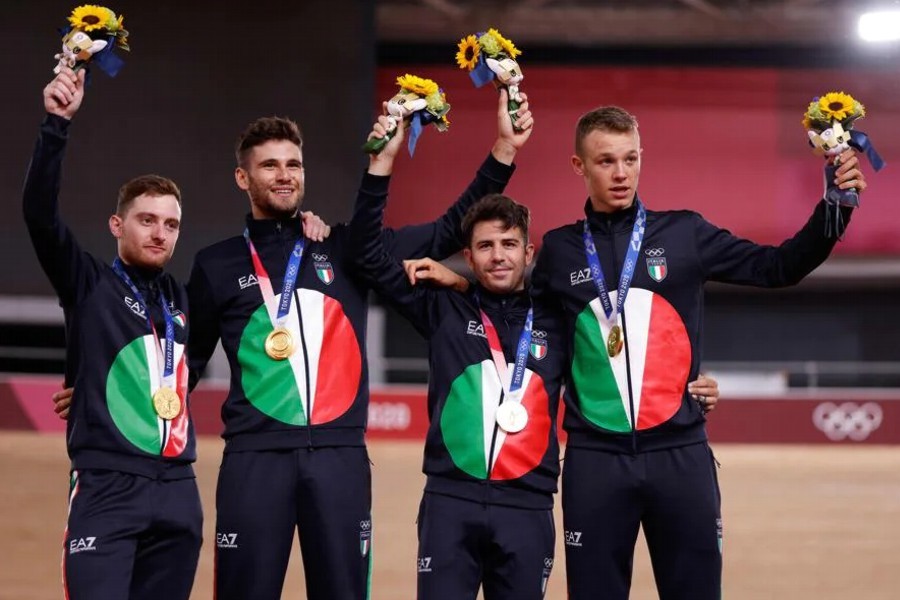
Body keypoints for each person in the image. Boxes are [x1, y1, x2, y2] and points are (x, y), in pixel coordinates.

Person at [351, 112, 721, 598]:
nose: (498, 255)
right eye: (485, 247)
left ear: (529, 256)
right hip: (450, 500)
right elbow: (365, 254)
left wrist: (688, 381)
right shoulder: (441, 307)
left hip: (528, 507)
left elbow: (620, 349)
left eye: (509, 244)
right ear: (468, 255)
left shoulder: (556, 320)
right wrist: (382, 165)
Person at [183, 88, 533, 599]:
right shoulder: (215, 264)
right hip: (253, 459)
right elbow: (185, 361)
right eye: (269, 166)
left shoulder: (345, 249)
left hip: (339, 459)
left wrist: (504, 150)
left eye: (293, 164)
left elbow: (446, 231)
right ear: (243, 177)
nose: (284, 175)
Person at [529, 105, 866, 599]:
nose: (621, 173)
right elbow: (533, 346)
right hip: (595, 460)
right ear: (579, 166)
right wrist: (456, 285)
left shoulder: (684, 233)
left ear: (641, 158)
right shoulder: (559, 251)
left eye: (630, 158)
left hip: (679, 454)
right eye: (606, 161)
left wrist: (835, 208)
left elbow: (778, 267)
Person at [24, 67, 201, 599]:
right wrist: (56, 125)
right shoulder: (88, 283)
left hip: (179, 490)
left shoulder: (180, 299)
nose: (160, 233)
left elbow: (176, 371)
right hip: (107, 486)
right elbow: (39, 216)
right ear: (116, 225)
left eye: (171, 224)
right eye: (147, 220)